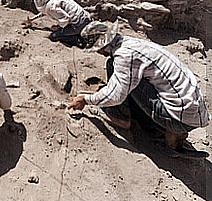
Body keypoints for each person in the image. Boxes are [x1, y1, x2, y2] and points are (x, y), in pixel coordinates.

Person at [68, 21, 210, 153]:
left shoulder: (125, 56)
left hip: (180, 118)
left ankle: (122, 118)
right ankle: (170, 130)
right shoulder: (131, 43)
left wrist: (86, 100)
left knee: (117, 71)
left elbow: (116, 95)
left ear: (101, 47)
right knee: (130, 75)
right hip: (193, 113)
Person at [25, 0, 91, 48]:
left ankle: (77, 40)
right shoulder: (52, 0)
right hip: (84, 18)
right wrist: (32, 19)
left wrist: (58, 27)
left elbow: (65, 19)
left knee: (54, 36)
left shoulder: (50, 7)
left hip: (79, 24)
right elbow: (44, 12)